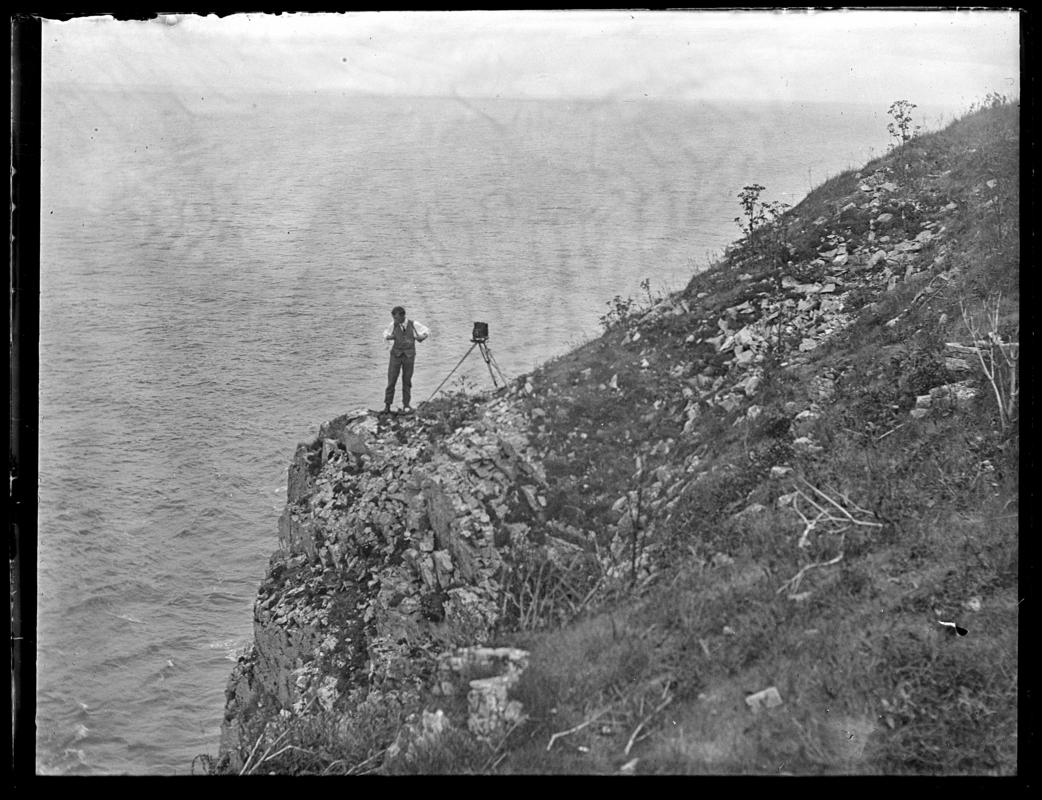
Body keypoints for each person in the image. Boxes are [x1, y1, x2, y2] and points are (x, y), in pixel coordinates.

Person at [382, 306, 430, 414]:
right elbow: (385, 334)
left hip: (409, 356)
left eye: (396, 318)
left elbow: (426, 330)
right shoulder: (393, 325)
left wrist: (423, 337)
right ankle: (387, 406)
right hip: (395, 355)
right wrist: (389, 337)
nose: (395, 320)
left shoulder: (413, 324)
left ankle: (406, 405)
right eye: (393, 318)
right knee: (391, 380)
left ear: (403, 316)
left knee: (407, 380)